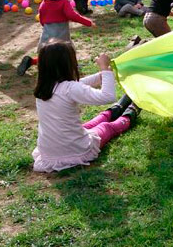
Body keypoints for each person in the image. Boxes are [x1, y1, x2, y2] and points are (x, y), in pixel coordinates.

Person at [31, 40, 139, 173]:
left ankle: (123, 103)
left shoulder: (43, 88)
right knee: (105, 127)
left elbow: (79, 84)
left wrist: (104, 75)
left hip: (50, 151)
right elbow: (108, 96)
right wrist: (105, 70)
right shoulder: (70, 88)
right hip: (74, 151)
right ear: (68, 63)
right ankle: (132, 110)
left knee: (91, 124)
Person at [17, 0, 93, 76]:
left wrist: (46, 26)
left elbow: (42, 17)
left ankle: (31, 61)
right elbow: (72, 16)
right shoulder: (63, 3)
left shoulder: (44, 2)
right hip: (61, 35)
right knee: (69, 51)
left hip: (47, 33)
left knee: (47, 55)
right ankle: (73, 65)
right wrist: (88, 22)